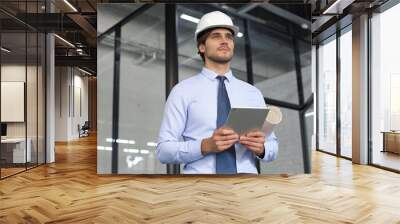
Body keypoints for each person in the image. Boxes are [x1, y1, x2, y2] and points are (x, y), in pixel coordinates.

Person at [156, 11, 278, 174]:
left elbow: (273, 147)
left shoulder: (252, 93)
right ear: (202, 46)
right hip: (199, 189)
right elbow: (163, 151)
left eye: (229, 36)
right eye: (216, 36)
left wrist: (261, 149)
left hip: (247, 186)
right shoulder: (182, 91)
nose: (224, 40)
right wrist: (205, 146)